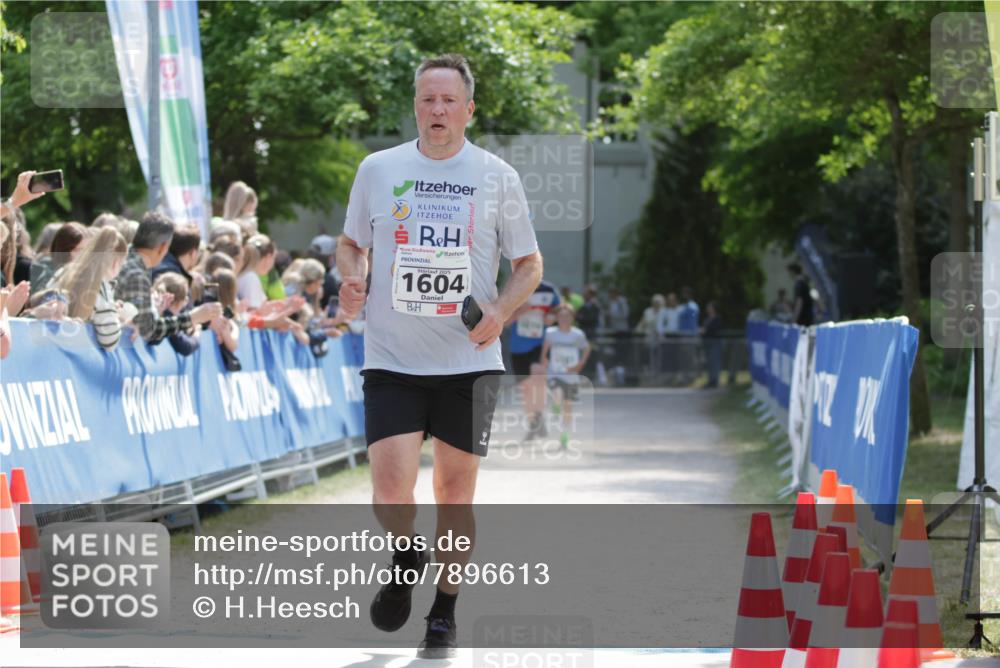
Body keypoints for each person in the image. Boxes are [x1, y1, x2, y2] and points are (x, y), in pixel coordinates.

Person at [336, 53, 542, 659]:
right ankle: (405, 554)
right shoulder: (379, 169)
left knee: (456, 495)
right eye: (428, 99)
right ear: (416, 106)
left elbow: (529, 266)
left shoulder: (497, 175)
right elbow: (352, 244)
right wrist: (352, 277)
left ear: (469, 109)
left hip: (469, 364)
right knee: (390, 490)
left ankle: (444, 613)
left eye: (449, 100)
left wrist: (501, 312)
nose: (438, 110)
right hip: (392, 356)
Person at [115, 211, 221, 343]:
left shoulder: (124, 259)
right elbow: (149, 330)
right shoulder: (137, 274)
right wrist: (193, 318)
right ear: (163, 247)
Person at [57, 227, 128, 351]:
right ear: (116, 262)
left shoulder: (64, 272)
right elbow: (109, 341)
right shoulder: (101, 286)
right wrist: (120, 319)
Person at [507, 279, 560, 440]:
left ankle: (538, 416)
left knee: (538, 379)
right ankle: (534, 423)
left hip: (540, 344)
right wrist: (520, 312)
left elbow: (561, 311)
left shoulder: (549, 290)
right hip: (518, 346)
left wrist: (553, 316)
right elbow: (504, 322)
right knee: (526, 389)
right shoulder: (512, 289)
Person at [540, 304, 591, 449]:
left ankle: (564, 436)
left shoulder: (577, 334)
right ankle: (556, 406)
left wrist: (580, 363)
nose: (564, 319)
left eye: (567, 316)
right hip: (554, 373)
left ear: (572, 318)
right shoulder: (551, 333)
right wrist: (544, 360)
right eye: (561, 316)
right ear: (557, 318)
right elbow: (545, 350)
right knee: (557, 396)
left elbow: (586, 348)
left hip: (571, 375)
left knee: (568, 407)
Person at [29, 222, 87, 294]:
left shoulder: (82, 275)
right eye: (79, 250)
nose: (84, 255)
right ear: (65, 250)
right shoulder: (47, 275)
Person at [153, 272, 201, 356]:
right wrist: (197, 334)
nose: (187, 300)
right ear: (177, 301)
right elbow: (186, 347)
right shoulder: (167, 318)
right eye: (186, 296)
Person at [237, 234, 276, 310]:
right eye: (274, 257)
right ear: (268, 257)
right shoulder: (250, 278)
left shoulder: (247, 275)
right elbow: (253, 315)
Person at [700, 301, 723, 388]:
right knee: (709, 363)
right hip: (707, 343)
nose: (708, 309)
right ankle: (710, 380)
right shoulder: (707, 319)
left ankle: (715, 380)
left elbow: (716, 329)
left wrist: (706, 331)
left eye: (710, 307)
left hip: (715, 343)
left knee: (715, 362)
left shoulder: (718, 318)